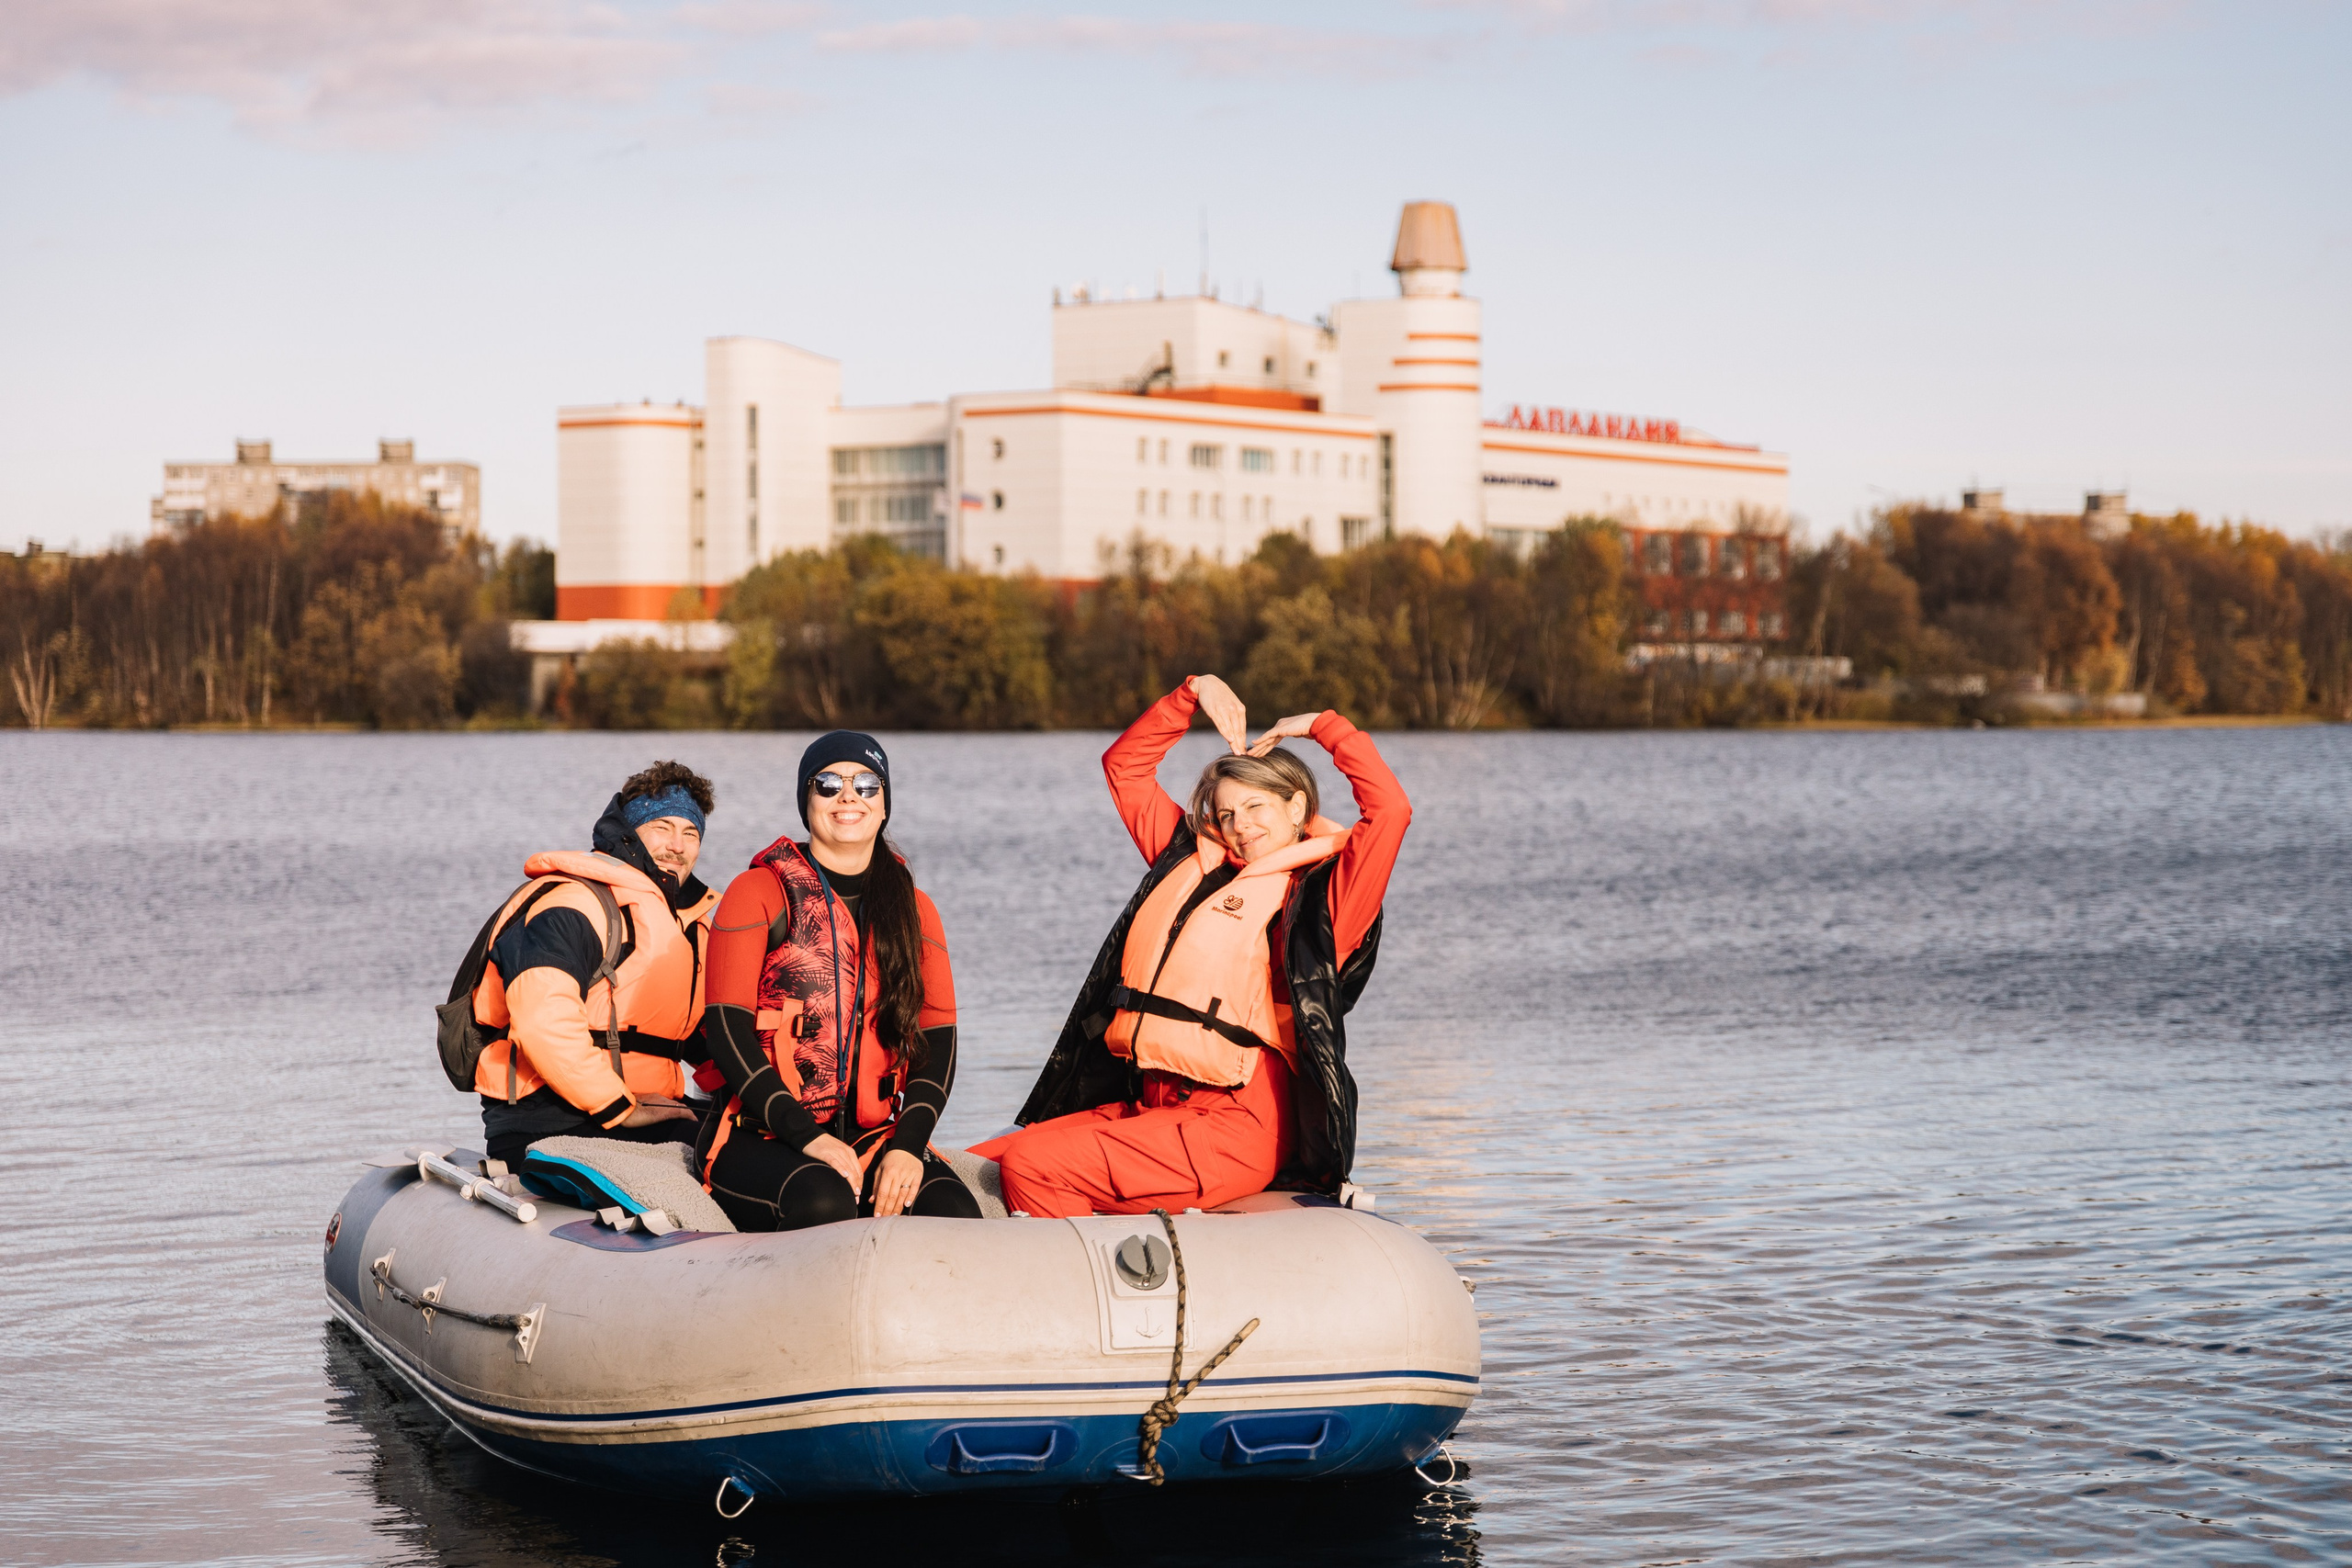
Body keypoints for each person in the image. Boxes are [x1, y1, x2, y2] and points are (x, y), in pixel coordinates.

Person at [972, 675, 1408, 1217]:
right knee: (967, 1166)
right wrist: (1194, 692)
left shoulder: (1328, 900)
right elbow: (1125, 768)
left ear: (1297, 807)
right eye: (1226, 815)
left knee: (1031, 1165)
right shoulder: (1189, 861)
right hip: (1150, 1106)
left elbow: (1390, 811)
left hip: (1236, 1125)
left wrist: (1323, 726)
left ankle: (1085, 1267)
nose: (1240, 827)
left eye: (1255, 807)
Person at [695, 732, 982, 1231]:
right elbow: (726, 1029)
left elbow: (937, 1042)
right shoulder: (756, 893)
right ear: (806, 802)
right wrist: (808, 1137)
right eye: (828, 784)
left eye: (867, 785)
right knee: (826, 1203)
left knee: (954, 1212)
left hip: (872, 1135)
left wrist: (907, 1147)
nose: (848, 796)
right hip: (760, 1131)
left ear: (884, 804)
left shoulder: (915, 910)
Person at [469, 761, 721, 1168]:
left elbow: (702, 1038)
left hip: (647, 1108)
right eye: (662, 827)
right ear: (629, 833)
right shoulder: (571, 905)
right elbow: (543, 1023)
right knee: (724, 1159)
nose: (677, 845)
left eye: (690, 833)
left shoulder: (691, 927)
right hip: (548, 1120)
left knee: (749, 1143)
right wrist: (620, 1107)